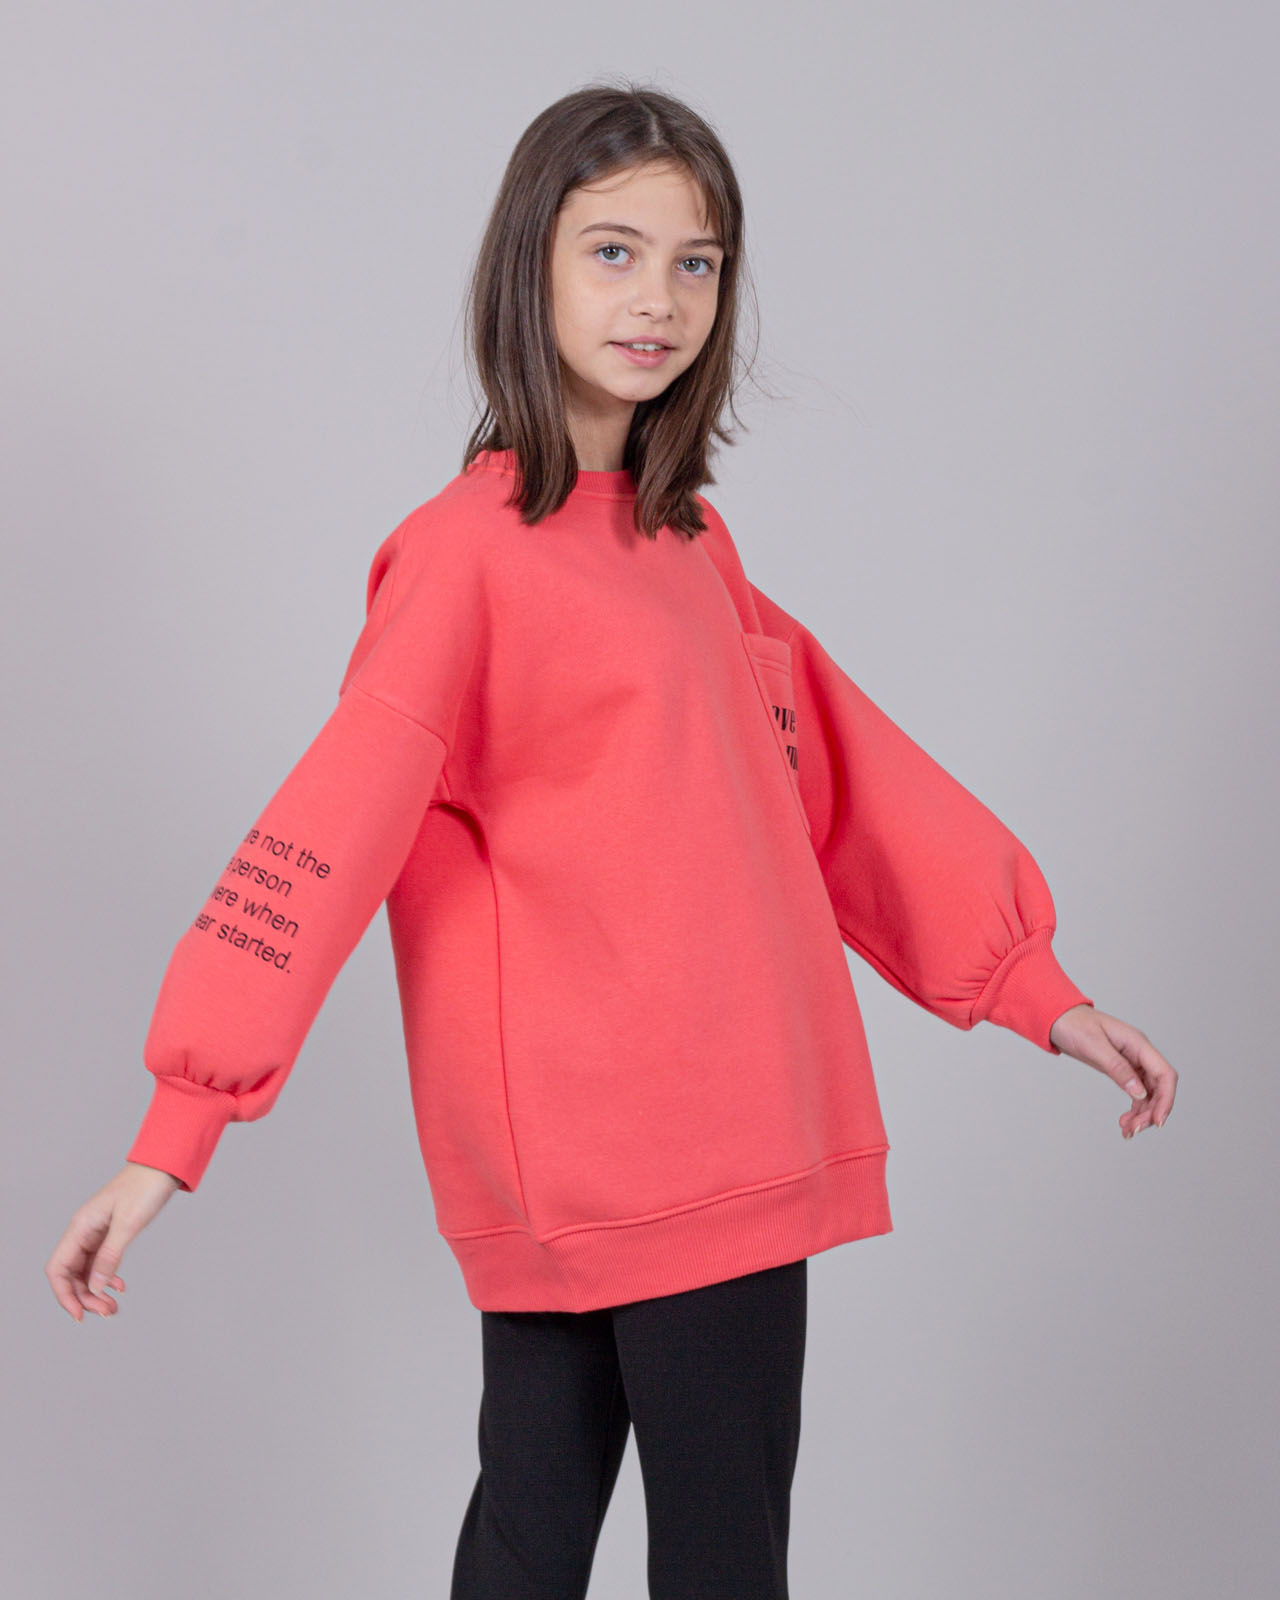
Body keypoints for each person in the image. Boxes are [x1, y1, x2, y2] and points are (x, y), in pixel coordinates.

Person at [45, 82, 1177, 1600]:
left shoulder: (688, 543)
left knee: (552, 1536)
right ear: (529, 265)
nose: (659, 298)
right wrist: (174, 1131)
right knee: (691, 1555)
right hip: (649, 1152)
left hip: (668, 1138)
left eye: (697, 262)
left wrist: (1032, 985)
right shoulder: (462, 557)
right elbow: (326, 830)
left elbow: (839, 776)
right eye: (614, 251)